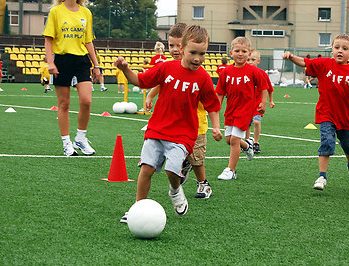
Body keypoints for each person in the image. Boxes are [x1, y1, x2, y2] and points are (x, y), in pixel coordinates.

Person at [115, 25, 223, 220]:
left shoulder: (204, 78)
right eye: (193, 52)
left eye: (202, 53)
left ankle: (175, 190)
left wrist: (216, 126)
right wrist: (125, 69)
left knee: (172, 170)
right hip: (157, 129)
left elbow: (212, 105)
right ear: (181, 49)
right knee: (146, 168)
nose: (197, 58)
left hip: (183, 135)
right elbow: (140, 81)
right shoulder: (166, 68)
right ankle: (137, 208)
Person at [282, 33, 349, 191]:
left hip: (345, 116)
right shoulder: (324, 64)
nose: (340, 51)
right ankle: (322, 176)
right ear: (331, 49)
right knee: (327, 142)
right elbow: (305, 62)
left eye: (345, 48)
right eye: (337, 47)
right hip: (326, 113)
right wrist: (291, 57)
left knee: (347, 146)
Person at [144, 22, 214, 199]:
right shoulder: (171, 67)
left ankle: (202, 183)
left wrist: (216, 125)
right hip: (175, 125)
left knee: (197, 158)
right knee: (179, 155)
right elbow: (163, 82)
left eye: (178, 45)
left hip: (195, 122)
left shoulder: (195, 69)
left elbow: (210, 99)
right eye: (171, 45)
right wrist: (151, 95)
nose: (175, 49)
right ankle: (181, 169)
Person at [43, 0, 101, 156]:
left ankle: (80, 138)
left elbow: (88, 41)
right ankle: (66, 142)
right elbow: (48, 39)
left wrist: (96, 65)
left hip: (82, 60)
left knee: (86, 101)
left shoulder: (86, 13)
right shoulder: (56, 12)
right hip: (61, 60)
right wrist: (50, 62)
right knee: (64, 104)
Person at [215, 36, 268, 180]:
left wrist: (263, 103)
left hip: (245, 111)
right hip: (231, 110)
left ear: (249, 53)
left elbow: (264, 88)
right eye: (237, 51)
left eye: (244, 51)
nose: (240, 54)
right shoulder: (225, 72)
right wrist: (216, 107)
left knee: (233, 141)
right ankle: (247, 146)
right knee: (229, 140)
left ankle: (231, 170)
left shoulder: (253, 71)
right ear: (231, 53)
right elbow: (220, 92)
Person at [245, 48, 275, 154]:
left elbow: (269, 89)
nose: (250, 62)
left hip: (258, 104)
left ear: (258, 61)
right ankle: (247, 143)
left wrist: (270, 101)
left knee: (256, 121)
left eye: (253, 59)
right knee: (247, 125)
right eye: (248, 60)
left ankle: (256, 142)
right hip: (246, 105)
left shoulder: (262, 74)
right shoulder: (243, 73)